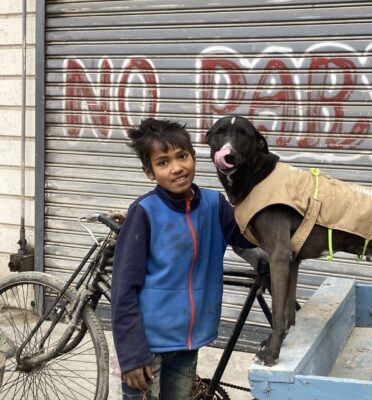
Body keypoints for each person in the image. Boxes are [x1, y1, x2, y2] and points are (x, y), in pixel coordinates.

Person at [111, 118, 260, 400]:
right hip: (147, 347)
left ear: (194, 156)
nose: (177, 167)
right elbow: (123, 289)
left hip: (188, 343)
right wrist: (131, 354)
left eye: (182, 156)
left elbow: (249, 235)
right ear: (149, 172)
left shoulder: (215, 206)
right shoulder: (145, 212)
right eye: (163, 162)